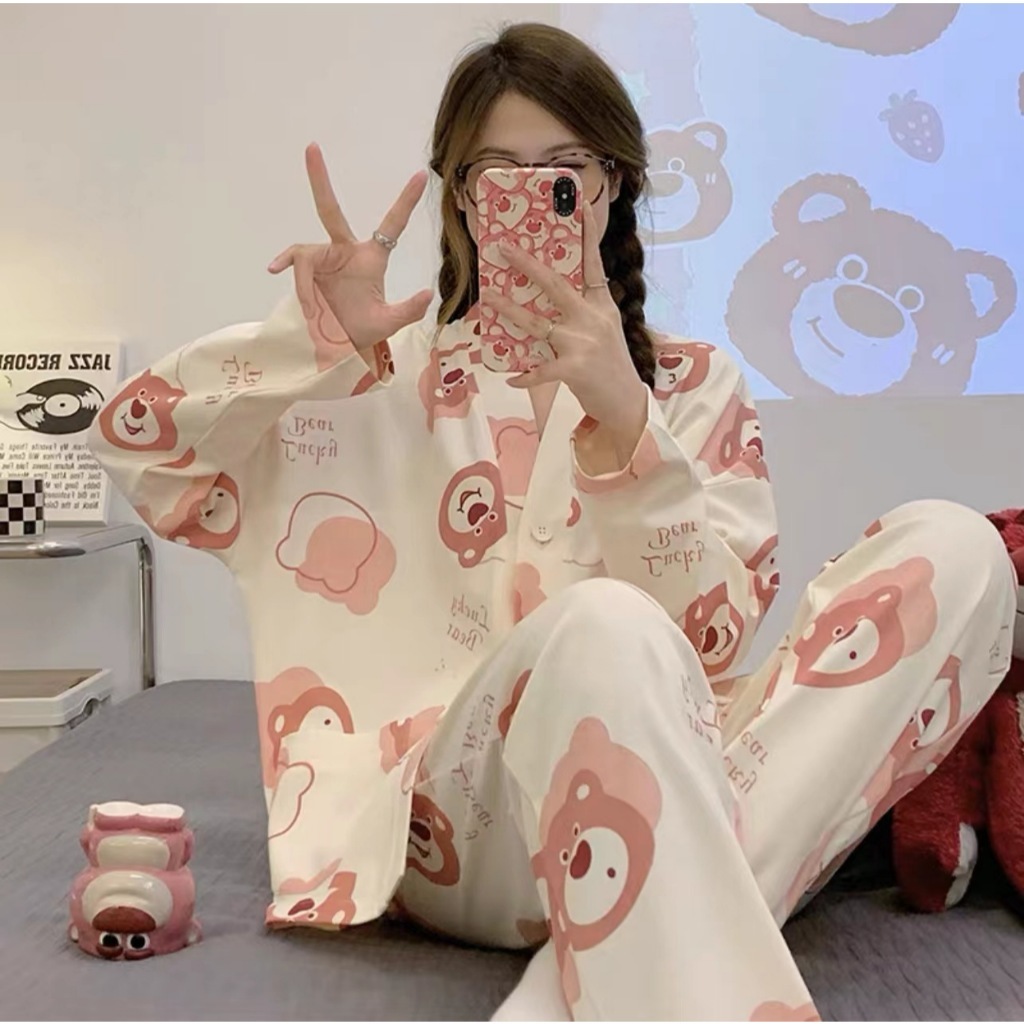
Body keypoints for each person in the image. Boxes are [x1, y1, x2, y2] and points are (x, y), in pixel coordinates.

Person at [89, 22, 1016, 1022]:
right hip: (460, 833)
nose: (533, 196)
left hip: (671, 782)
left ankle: (623, 943)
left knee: (961, 550)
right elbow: (143, 455)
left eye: (565, 173)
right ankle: (679, 927)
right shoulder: (371, 380)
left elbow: (711, 647)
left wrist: (629, 426)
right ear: (461, 197)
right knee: (603, 624)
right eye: (499, 174)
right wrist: (303, 345)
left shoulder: (693, 385)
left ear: (611, 187)